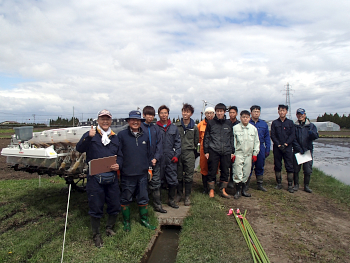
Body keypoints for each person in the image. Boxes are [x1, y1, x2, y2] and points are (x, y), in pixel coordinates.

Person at [76, 109, 122, 248]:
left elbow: (120, 155)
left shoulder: (115, 137)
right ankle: (96, 234)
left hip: (112, 177)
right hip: (95, 178)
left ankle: (109, 227)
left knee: (114, 203)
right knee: (96, 205)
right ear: (98, 120)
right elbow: (79, 148)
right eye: (102, 119)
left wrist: (118, 164)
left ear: (111, 121)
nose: (105, 121)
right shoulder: (91, 134)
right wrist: (88, 137)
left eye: (107, 118)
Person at [117, 110, 156, 232]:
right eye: (133, 120)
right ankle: (126, 222)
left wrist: (149, 168)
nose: (135, 122)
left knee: (143, 197)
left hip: (142, 174)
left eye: (138, 120)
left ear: (141, 122)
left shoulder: (144, 135)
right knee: (126, 198)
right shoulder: (122, 135)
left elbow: (149, 154)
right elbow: (118, 154)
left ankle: (144, 220)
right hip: (127, 174)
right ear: (128, 121)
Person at [203, 103, 235, 198]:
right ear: (215, 112)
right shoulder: (211, 123)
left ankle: (223, 189)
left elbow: (231, 137)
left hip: (226, 150)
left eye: (221, 111)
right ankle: (211, 190)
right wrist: (206, 151)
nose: (219, 113)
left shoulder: (229, 123)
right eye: (217, 111)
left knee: (225, 171)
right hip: (213, 150)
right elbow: (206, 138)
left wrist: (232, 151)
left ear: (224, 112)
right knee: (212, 171)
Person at [141, 106, 167, 213]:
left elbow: (159, 145)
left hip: (155, 162)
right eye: (148, 115)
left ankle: (157, 205)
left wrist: (156, 158)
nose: (150, 117)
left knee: (156, 183)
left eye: (152, 115)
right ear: (144, 115)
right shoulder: (140, 128)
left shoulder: (156, 128)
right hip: (142, 162)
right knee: (143, 184)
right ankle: (144, 206)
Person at [156, 105, 181, 208]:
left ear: (168, 114)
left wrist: (176, 155)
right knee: (157, 180)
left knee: (172, 180)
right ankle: (158, 203)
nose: (163, 115)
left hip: (170, 158)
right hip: (159, 158)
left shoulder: (174, 128)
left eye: (165, 113)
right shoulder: (155, 128)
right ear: (159, 114)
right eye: (161, 113)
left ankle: (171, 200)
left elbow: (178, 143)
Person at [175, 103, 199, 206]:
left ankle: (187, 196)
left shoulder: (194, 127)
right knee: (179, 175)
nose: (185, 113)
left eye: (187, 112)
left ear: (191, 114)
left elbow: (196, 140)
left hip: (189, 153)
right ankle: (179, 194)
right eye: (184, 111)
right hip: (179, 152)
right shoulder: (176, 126)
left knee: (189, 175)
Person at [232, 110, 260, 199]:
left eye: (247, 117)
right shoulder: (235, 128)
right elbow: (233, 142)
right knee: (237, 173)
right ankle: (237, 191)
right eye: (243, 117)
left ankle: (244, 190)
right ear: (240, 118)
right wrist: (232, 154)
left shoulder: (253, 129)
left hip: (248, 155)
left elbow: (256, 142)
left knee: (246, 173)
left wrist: (255, 153)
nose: (245, 119)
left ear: (249, 118)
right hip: (238, 154)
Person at [292, 108, 319, 193]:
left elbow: (316, 136)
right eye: (298, 114)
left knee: (307, 170)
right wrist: (299, 149)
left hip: (308, 151)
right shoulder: (294, 126)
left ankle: (306, 186)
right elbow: (293, 139)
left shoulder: (311, 126)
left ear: (305, 115)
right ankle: (296, 185)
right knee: (296, 169)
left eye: (302, 114)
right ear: (296, 115)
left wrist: (312, 134)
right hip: (297, 151)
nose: (300, 116)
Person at [271, 104, 295, 193]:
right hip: (277, 148)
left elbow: (292, 135)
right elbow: (272, 135)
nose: (282, 112)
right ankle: (279, 183)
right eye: (280, 110)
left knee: (289, 166)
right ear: (278, 111)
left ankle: (289, 185)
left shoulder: (290, 123)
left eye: (283, 110)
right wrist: (279, 145)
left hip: (287, 148)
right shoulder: (275, 123)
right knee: (277, 165)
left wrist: (286, 144)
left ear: (286, 112)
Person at [247, 105, 271, 192]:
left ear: (260, 113)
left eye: (258, 112)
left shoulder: (264, 124)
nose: (256, 113)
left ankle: (259, 184)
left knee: (260, 165)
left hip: (260, 147)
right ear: (251, 113)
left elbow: (267, 137)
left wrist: (267, 148)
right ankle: (246, 184)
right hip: (250, 146)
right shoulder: (248, 123)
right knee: (249, 166)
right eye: (254, 111)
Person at [197, 107, 215, 193]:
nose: (209, 115)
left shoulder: (216, 124)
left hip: (215, 149)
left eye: (211, 113)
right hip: (204, 150)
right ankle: (205, 188)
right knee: (204, 168)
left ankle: (211, 188)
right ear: (205, 114)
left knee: (213, 168)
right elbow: (198, 138)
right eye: (207, 113)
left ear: (214, 114)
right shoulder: (200, 125)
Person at [228, 106, 240, 188]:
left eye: (233, 112)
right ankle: (224, 180)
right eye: (230, 112)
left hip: (236, 146)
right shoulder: (226, 122)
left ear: (236, 113)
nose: (232, 114)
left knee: (234, 164)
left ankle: (232, 180)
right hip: (226, 145)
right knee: (225, 165)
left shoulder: (239, 124)